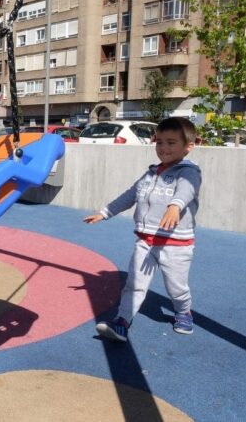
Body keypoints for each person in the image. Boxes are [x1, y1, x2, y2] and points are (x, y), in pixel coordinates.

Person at [83, 117, 201, 342]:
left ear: (188, 146)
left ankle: (184, 311)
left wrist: (175, 206)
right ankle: (122, 322)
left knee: (176, 288)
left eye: (171, 143)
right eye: (159, 142)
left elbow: (187, 191)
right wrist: (105, 212)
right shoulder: (151, 174)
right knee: (134, 283)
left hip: (175, 244)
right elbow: (130, 195)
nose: (163, 148)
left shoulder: (189, 172)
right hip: (146, 240)